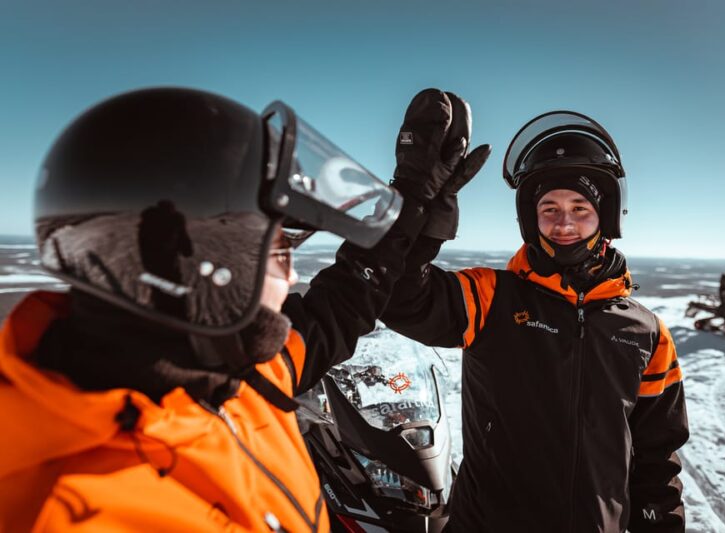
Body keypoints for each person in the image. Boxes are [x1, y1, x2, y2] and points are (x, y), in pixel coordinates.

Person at [0, 87, 488, 532]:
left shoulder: (235, 370)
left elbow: (344, 302)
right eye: (278, 249)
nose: (292, 275)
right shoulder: (78, 507)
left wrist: (412, 198)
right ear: (205, 265)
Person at [381, 111, 690, 531]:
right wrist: (415, 209)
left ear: (606, 215)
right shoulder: (490, 297)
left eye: (580, 207)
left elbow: (657, 456)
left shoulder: (647, 333)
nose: (564, 223)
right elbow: (399, 296)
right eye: (550, 208)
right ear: (531, 217)